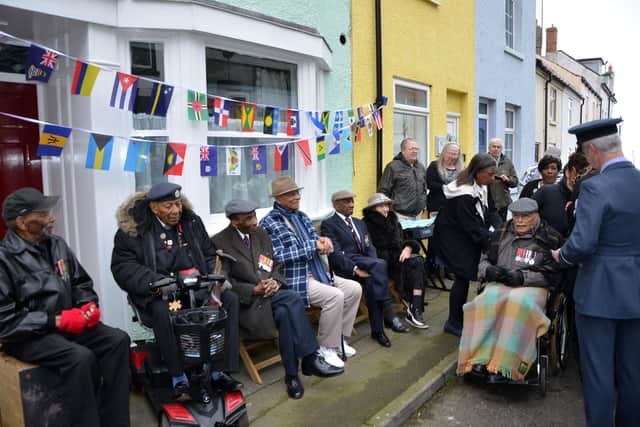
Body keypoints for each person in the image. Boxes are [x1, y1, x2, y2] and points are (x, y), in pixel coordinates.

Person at [0, 188, 130, 427]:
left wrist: (88, 305)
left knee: (118, 341)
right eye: (43, 213)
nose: (52, 217)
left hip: (69, 325)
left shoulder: (57, 245)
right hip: (30, 336)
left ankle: (114, 421)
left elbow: (81, 282)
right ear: (21, 221)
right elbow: (5, 322)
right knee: (80, 358)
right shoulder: (4, 259)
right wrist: (55, 320)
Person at [111, 183, 241, 403]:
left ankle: (220, 371)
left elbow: (210, 255)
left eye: (178, 204)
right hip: (160, 292)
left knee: (230, 299)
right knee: (162, 310)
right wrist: (157, 282)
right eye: (168, 205)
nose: (176, 210)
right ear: (154, 207)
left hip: (198, 288)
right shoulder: (134, 230)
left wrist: (218, 276)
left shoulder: (191, 222)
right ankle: (178, 376)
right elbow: (124, 267)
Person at [551, 118, 640, 427]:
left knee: (599, 374)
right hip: (636, 292)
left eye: (586, 154)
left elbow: (582, 243)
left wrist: (560, 254)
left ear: (591, 149)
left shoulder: (595, 186)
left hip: (600, 293)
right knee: (633, 373)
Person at [212, 200, 343, 400]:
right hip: (249, 305)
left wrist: (275, 281)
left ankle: (294, 375)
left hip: (272, 296)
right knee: (289, 306)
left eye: (254, 214)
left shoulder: (260, 234)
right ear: (234, 221)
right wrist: (252, 290)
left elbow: (276, 265)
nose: (255, 220)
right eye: (248, 218)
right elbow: (224, 282)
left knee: (286, 308)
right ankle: (305, 363)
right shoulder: (220, 242)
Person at [259, 176, 361, 368]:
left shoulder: (302, 216)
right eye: (291, 194)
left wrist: (324, 242)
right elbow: (277, 256)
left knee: (354, 289)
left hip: (318, 270)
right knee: (335, 296)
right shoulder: (269, 223)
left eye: (297, 192)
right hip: (295, 278)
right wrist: (311, 246)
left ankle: (339, 340)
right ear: (278, 198)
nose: (297, 197)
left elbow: (315, 239)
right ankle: (325, 348)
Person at [458, 198, 563, 382]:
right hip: (501, 282)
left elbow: (554, 275)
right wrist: (489, 270)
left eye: (525, 216)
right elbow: (484, 259)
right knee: (484, 302)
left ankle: (508, 364)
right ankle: (479, 359)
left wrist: (523, 277)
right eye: (516, 216)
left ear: (536, 215)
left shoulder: (549, 237)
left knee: (517, 304)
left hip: (533, 286)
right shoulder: (500, 233)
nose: (520, 220)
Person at [321, 191, 411, 347]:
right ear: (336, 205)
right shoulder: (329, 224)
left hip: (368, 264)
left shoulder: (359, 223)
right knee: (379, 268)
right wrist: (355, 269)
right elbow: (334, 254)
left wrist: (373, 262)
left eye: (352, 201)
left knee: (373, 280)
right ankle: (388, 315)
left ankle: (378, 332)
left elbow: (370, 247)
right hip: (347, 266)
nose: (351, 204)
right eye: (346, 202)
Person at [431, 153, 500, 337]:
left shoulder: (483, 186)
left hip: (464, 234)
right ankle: (453, 322)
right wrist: (491, 240)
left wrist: (502, 230)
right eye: (490, 175)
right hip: (452, 237)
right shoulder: (463, 194)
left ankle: (469, 315)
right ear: (477, 173)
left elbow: (491, 210)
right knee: (462, 276)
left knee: (470, 274)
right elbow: (470, 226)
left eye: (494, 174)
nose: (493, 179)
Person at [362, 193, 428, 329]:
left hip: (398, 259)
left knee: (418, 261)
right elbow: (369, 250)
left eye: (387, 205)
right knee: (415, 265)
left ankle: (415, 309)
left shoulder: (393, 221)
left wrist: (408, 247)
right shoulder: (366, 224)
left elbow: (404, 240)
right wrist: (393, 257)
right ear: (372, 209)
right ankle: (415, 309)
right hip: (382, 265)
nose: (386, 209)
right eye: (381, 206)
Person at [533, 152, 589, 238]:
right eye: (584, 173)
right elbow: (523, 217)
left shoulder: (588, 197)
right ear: (569, 172)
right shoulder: (547, 192)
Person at [378, 137, 428, 220]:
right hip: (399, 215)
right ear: (403, 150)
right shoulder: (393, 167)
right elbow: (383, 191)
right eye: (411, 149)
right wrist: (387, 211)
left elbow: (424, 188)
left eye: (416, 149)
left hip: (418, 215)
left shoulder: (420, 167)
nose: (415, 151)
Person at [426, 142, 464, 217]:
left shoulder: (462, 169)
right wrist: (447, 187)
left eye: (455, 154)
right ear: (444, 153)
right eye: (450, 153)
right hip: (437, 206)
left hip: (456, 206)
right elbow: (429, 183)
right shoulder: (434, 165)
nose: (452, 157)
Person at [487, 137, 518, 221]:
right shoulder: (483, 160)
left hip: (502, 203)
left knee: (501, 230)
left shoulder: (507, 162)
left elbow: (515, 182)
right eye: (494, 146)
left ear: (501, 149)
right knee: (483, 230)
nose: (496, 149)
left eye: (498, 147)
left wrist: (508, 179)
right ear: (489, 148)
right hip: (486, 202)